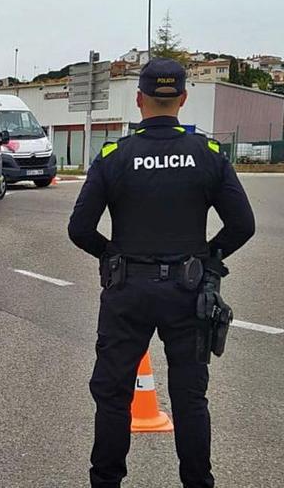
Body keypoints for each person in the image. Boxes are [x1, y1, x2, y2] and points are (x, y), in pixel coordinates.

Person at [68, 58, 255, 488]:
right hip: (188, 291)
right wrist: (208, 257)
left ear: (139, 100)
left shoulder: (115, 156)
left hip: (126, 289)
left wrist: (110, 255)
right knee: (190, 398)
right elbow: (243, 224)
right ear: (183, 99)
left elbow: (79, 229)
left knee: (113, 396)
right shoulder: (207, 155)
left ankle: (106, 482)